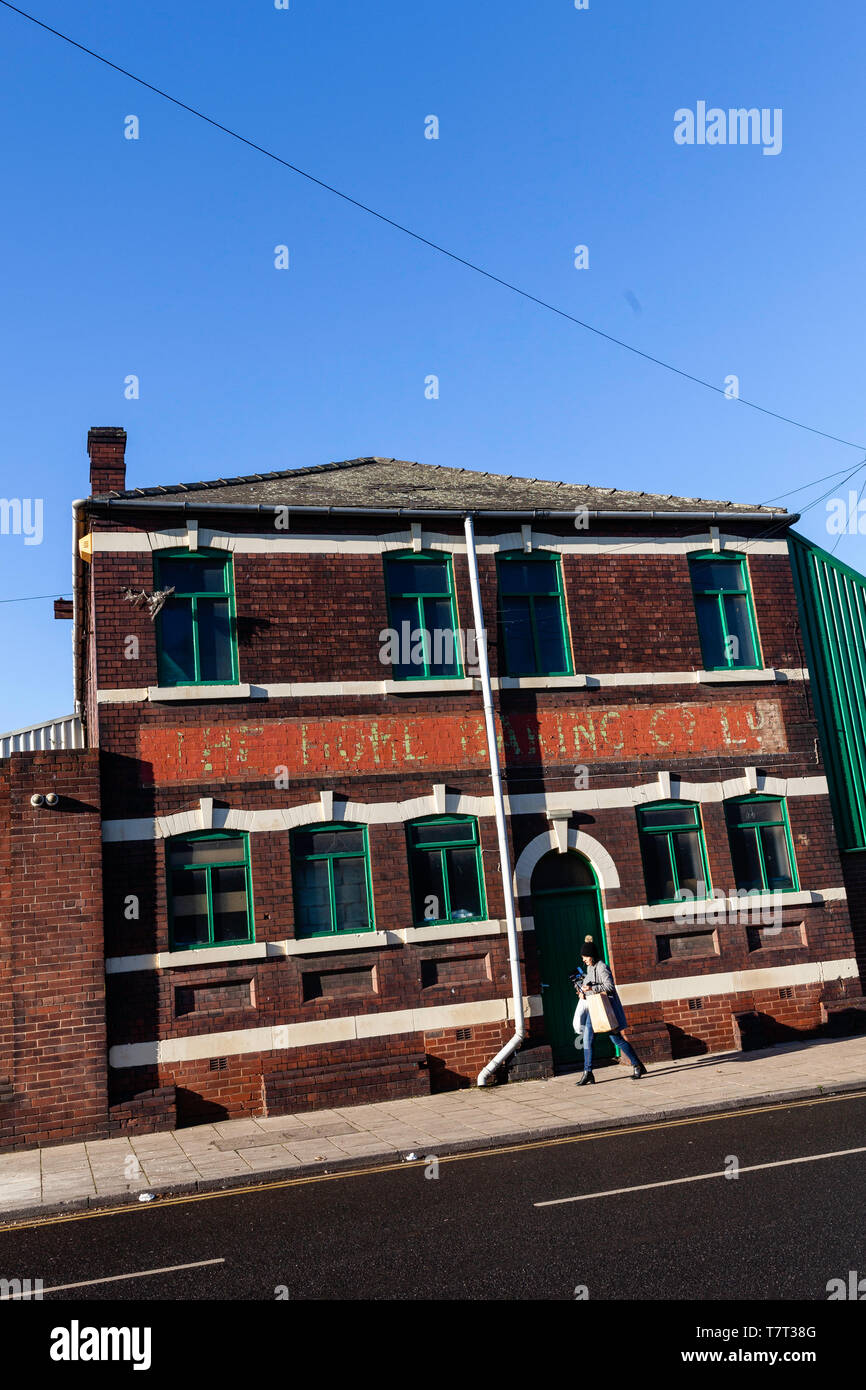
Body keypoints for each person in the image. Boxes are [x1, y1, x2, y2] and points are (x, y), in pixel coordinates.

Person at [573, 939, 647, 1086]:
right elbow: (588, 986)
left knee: (616, 1039)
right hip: (595, 1009)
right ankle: (588, 1072)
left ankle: (637, 1065)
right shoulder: (590, 968)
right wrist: (582, 992)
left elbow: (609, 986)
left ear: (592, 955)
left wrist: (591, 989)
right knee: (587, 1039)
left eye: (585, 957)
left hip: (606, 1009)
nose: (583, 960)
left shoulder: (602, 967)